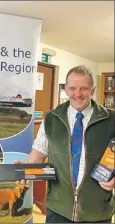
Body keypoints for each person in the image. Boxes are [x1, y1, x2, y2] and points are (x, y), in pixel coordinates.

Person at [17, 65, 115, 223]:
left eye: (84, 88)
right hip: (58, 210)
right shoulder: (51, 119)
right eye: (72, 88)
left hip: (98, 211)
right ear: (66, 89)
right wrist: (26, 169)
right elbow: (38, 154)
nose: (77, 94)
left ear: (93, 90)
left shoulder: (111, 120)